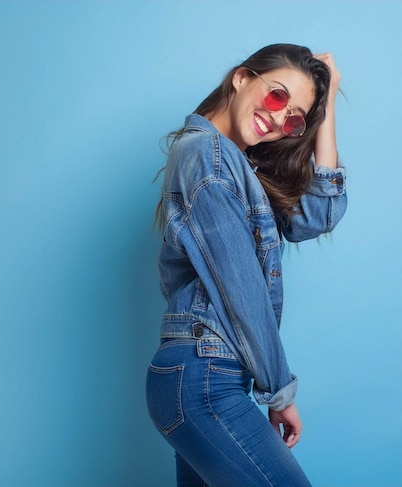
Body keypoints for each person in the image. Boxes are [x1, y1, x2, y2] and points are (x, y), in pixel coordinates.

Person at [145, 44, 347, 487]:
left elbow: (318, 215)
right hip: (203, 379)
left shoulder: (241, 165)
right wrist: (279, 390)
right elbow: (241, 289)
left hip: (204, 377)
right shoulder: (208, 158)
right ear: (241, 78)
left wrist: (326, 105)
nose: (279, 120)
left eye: (295, 118)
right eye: (277, 96)